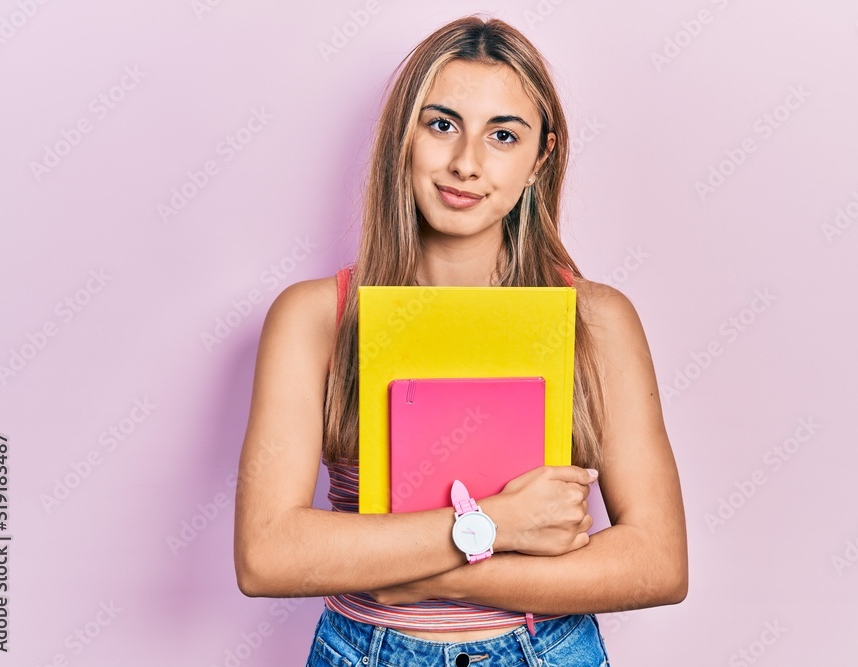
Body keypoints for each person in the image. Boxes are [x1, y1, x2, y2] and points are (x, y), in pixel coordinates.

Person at [233, 14, 687, 666]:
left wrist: (411, 568)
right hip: (365, 651)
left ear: (541, 158)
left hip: (547, 650)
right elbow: (267, 552)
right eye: (441, 124)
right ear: (403, 138)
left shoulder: (597, 319)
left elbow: (657, 561)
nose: (466, 163)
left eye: (503, 135)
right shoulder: (314, 318)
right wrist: (497, 526)